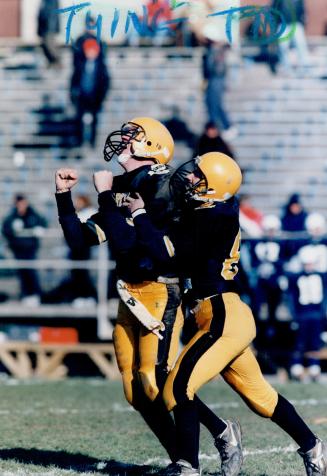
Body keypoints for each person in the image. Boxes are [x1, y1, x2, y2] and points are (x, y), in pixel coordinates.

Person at [55, 118, 243, 472]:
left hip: (161, 288)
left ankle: (201, 450)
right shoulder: (126, 185)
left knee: (157, 380)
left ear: (153, 146)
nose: (123, 140)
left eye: (132, 136)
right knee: (135, 391)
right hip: (129, 291)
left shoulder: (167, 185)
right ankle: (181, 459)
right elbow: (80, 240)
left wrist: (106, 197)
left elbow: (133, 240)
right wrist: (63, 196)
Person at [161, 152, 327, 476]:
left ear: (215, 186)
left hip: (222, 314)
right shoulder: (211, 212)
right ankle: (314, 448)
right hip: (222, 315)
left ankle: (188, 465)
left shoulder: (216, 216)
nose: (190, 179)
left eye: (199, 176)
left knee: (177, 387)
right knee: (261, 398)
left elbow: (179, 254)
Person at [284, 246, 326, 382]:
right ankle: (297, 367)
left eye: (311, 263)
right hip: (301, 314)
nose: (309, 266)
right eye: (306, 264)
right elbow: (291, 298)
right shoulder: (294, 278)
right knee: (299, 342)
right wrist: (293, 315)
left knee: (315, 342)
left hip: (317, 314)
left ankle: (314, 367)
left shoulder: (322, 276)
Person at [2, 194, 47, 306]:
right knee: (22, 272)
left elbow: (42, 222)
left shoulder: (33, 214)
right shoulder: (12, 216)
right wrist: (12, 231)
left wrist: (38, 229)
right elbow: (5, 228)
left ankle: (35, 295)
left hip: (30, 248)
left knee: (31, 272)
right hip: (18, 249)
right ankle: (26, 295)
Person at [70, 38, 110, 148]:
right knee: (79, 118)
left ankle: (92, 141)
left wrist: (101, 96)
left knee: (95, 119)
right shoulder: (80, 64)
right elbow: (74, 80)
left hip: (95, 97)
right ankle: (80, 140)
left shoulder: (101, 66)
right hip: (82, 95)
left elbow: (105, 81)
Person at [272, 0, 309, 73]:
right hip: (283, 24)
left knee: (300, 45)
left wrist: (303, 20)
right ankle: (286, 67)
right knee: (282, 46)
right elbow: (274, 10)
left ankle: (305, 66)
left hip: (296, 24)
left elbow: (302, 10)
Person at [37, 0, 60, 67]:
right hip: (44, 28)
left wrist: (50, 27)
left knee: (50, 46)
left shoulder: (51, 1)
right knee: (44, 46)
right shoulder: (44, 1)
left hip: (49, 28)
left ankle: (56, 63)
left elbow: (51, 14)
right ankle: (52, 63)